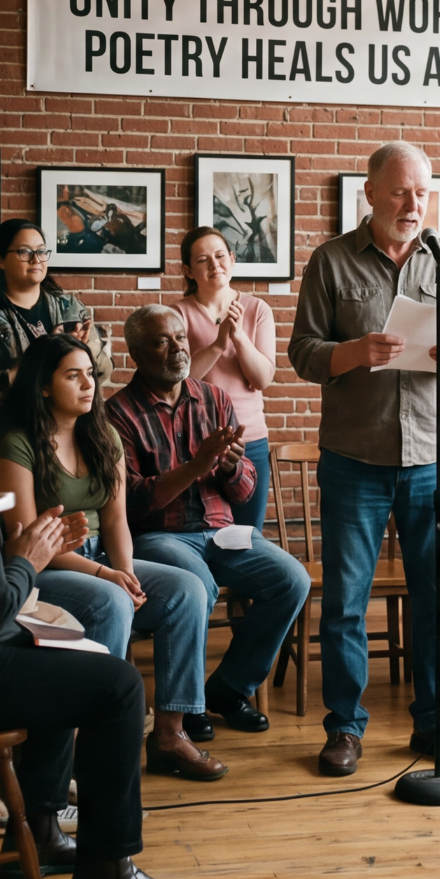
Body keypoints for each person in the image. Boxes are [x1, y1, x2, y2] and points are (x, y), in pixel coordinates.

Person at [288, 139, 440, 778]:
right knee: (346, 602)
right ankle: (345, 728)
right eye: (400, 191)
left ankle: (437, 723)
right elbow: (302, 352)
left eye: (422, 193)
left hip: (434, 456)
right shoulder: (330, 261)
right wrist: (353, 353)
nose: (412, 204)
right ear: (370, 193)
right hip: (356, 457)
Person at [0, 334, 220, 779]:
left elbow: (116, 521)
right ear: (44, 386)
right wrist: (106, 575)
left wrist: (126, 572)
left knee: (186, 589)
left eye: (90, 374)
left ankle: (170, 735)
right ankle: (94, 750)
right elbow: (29, 542)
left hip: (101, 558)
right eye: (72, 376)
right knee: (111, 600)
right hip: (44, 568)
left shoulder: (103, 435)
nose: (88, 384)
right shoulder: (18, 443)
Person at [107, 305, 311, 741]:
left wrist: (232, 467)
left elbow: (245, 491)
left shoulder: (215, 399)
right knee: (196, 586)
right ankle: (188, 706)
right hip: (161, 536)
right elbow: (133, 503)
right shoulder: (117, 414)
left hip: (222, 532)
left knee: (292, 580)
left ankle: (229, 688)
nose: (178, 348)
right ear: (137, 353)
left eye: (181, 338)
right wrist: (197, 466)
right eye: (162, 341)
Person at [0, 501, 198, 879]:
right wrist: (25, 561)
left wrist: (25, 555)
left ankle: (39, 833)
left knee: (59, 650)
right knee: (119, 687)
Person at [179, 225, 278, 531]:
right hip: (195, 445)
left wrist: (239, 338)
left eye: (220, 256)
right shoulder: (178, 314)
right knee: (202, 534)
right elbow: (179, 381)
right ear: (189, 271)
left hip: (249, 441)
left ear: (233, 259)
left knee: (248, 537)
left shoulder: (257, 309)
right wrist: (218, 344)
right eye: (202, 260)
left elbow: (262, 379)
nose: (214, 265)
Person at [0, 218, 110, 387]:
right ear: (1, 260)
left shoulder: (69, 307)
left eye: (41, 251)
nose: (36, 259)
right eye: (25, 251)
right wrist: (49, 353)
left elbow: (102, 372)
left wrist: (82, 348)